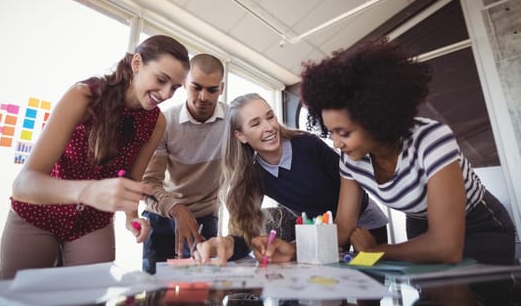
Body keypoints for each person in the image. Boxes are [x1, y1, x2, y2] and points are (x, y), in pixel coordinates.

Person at [298, 38, 516, 265]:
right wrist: (293, 248)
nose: (336, 144)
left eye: (343, 133)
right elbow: (343, 227)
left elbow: (445, 247)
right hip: (421, 230)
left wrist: (376, 250)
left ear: (374, 118)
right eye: (331, 132)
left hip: (478, 226)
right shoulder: (351, 158)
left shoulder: (431, 139)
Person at [0, 35, 190, 279]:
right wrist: (87, 191)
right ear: (137, 64)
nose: (165, 94)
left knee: (91, 297)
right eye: (161, 80)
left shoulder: (156, 122)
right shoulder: (84, 96)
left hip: (92, 221)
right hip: (38, 212)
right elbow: (23, 185)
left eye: (174, 87)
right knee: (19, 297)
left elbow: (132, 181)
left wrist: (132, 217)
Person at [192, 93, 389, 265]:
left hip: (363, 224)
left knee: (370, 287)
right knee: (334, 290)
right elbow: (247, 234)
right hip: (318, 231)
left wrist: (295, 247)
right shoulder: (254, 175)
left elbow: (350, 190)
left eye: (270, 117)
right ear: (241, 135)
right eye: (256, 123)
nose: (269, 127)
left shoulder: (308, 145)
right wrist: (228, 243)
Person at [141, 53, 227, 273]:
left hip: (205, 219)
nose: (203, 97)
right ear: (184, 84)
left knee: (200, 290)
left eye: (212, 89)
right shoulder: (164, 123)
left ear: (222, 88)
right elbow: (149, 183)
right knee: (155, 290)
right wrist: (178, 210)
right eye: (196, 87)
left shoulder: (232, 120)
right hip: (162, 216)